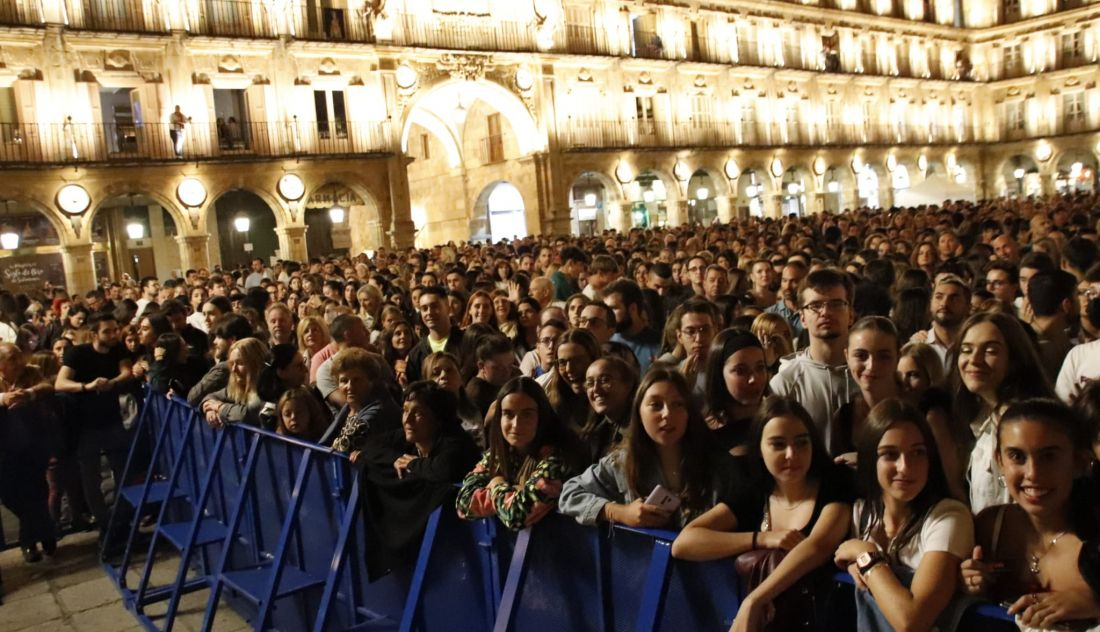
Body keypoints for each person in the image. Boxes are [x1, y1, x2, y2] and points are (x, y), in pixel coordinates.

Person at [672, 397, 855, 632]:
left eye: (801, 442)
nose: (792, 454)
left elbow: (817, 546)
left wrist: (754, 601)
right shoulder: (754, 490)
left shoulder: (835, 482)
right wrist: (761, 538)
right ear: (759, 448)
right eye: (778, 444)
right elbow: (684, 543)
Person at [834, 399, 974, 632]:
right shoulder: (862, 512)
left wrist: (865, 555)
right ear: (870, 459)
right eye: (890, 454)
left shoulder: (948, 515)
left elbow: (912, 621)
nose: (905, 467)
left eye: (918, 453)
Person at [960, 398, 1100, 631]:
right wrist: (966, 582)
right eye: (1017, 456)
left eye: (1049, 456)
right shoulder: (990, 526)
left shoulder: (1093, 539)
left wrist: (1095, 602)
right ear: (999, 461)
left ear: (1079, 462)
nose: (1033, 473)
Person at [560, 368, 722, 529]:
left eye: (678, 404)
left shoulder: (714, 461)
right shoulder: (622, 462)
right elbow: (569, 494)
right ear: (639, 412)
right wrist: (618, 512)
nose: (667, 414)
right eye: (656, 405)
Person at [360, 381, 481, 578]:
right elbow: (372, 447)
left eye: (418, 413)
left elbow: (445, 470)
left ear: (438, 419)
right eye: (405, 411)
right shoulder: (410, 435)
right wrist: (396, 460)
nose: (407, 420)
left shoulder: (455, 441)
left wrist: (412, 465)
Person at [953, 311, 1055, 513]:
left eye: (990, 351)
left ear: (1015, 358)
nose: (974, 359)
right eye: (966, 350)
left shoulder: (1027, 424)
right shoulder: (982, 416)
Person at [456, 376, 584, 530]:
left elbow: (516, 515)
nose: (516, 424)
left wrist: (497, 483)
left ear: (541, 416)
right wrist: (511, 494)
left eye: (527, 414)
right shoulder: (500, 453)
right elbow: (463, 504)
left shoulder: (558, 458)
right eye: (508, 414)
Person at [54, 312, 134, 538]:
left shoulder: (118, 349)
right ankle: (105, 523)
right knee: (91, 477)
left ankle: (122, 520)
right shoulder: (77, 353)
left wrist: (111, 383)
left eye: (115, 330)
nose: (113, 335)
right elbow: (61, 383)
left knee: (122, 471)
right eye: (107, 331)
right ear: (94, 334)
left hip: (112, 420)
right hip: (85, 426)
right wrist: (87, 386)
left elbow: (126, 371)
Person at [769, 268, 858, 455]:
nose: (825, 312)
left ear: (850, 314)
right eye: (815, 306)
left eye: (836, 304)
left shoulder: (870, 372)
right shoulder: (785, 383)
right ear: (802, 317)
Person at [0, 342, 57, 561]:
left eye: (18, 356)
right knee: (10, 497)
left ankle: (30, 542)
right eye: (11, 358)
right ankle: (46, 530)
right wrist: (4, 399)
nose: (18, 362)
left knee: (38, 493)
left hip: (33, 444)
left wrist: (29, 394)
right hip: (6, 449)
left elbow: (46, 386)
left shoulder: (30, 372)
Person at [326, 347, 400, 463]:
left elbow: (340, 449)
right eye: (344, 381)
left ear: (371, 381)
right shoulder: (350, 407)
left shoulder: (379, 410)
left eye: (357, 380)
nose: (349, 387)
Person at [703, 329, 769, 457]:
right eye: (740, 371)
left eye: (760, 367)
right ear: (719, 374)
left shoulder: (778, 421)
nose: (753, 379)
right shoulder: (705, 435)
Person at [577, 356, 638, 463]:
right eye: (590, 383)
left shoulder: (640, 429)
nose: (596, 389)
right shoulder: (596, 432)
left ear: (628, 384)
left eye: (605, 380)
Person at [201, 338, 270, 428]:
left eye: (240, 363)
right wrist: (210, 410)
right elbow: (210, 397)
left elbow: (247, 414)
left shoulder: (269, 388)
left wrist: (220, 407)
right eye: (231, 363)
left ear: (256, 363)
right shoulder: (239, 385)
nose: (234, 369)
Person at [543, 328, 601, 432]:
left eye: (578, 361)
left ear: (594, 359)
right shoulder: (552, 408)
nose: (569, 369)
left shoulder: (610, 406)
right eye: (562, 362)